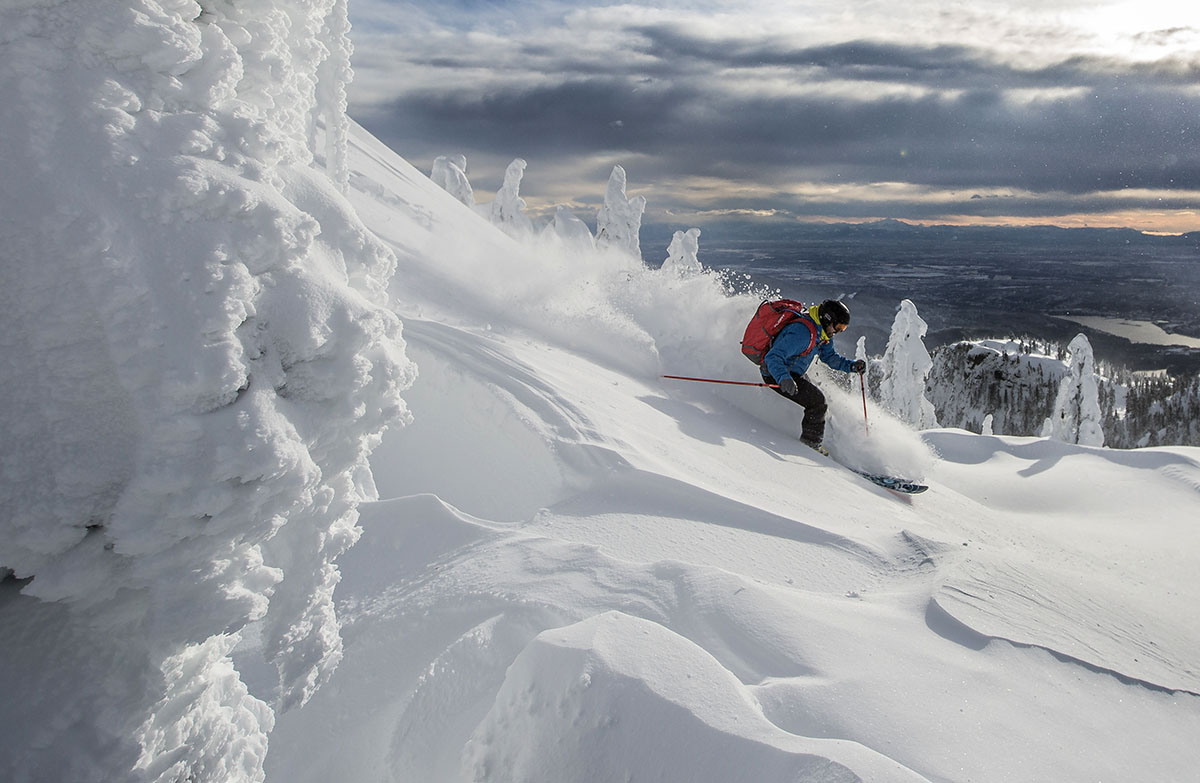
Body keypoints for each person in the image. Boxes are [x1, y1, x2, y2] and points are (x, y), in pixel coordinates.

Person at [760, 299, 866, 455]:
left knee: (820, 399)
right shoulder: (802, 333)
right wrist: (783, 378)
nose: (837, 331)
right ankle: (810, 447)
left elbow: (830, 357)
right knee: (817, 403)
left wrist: (851, 366)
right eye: (838, 327)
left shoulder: (821, 333)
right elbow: (773, 357)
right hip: (775, 373)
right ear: (828, 319)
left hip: (793, 373)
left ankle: (816, 438)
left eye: (842, 329)